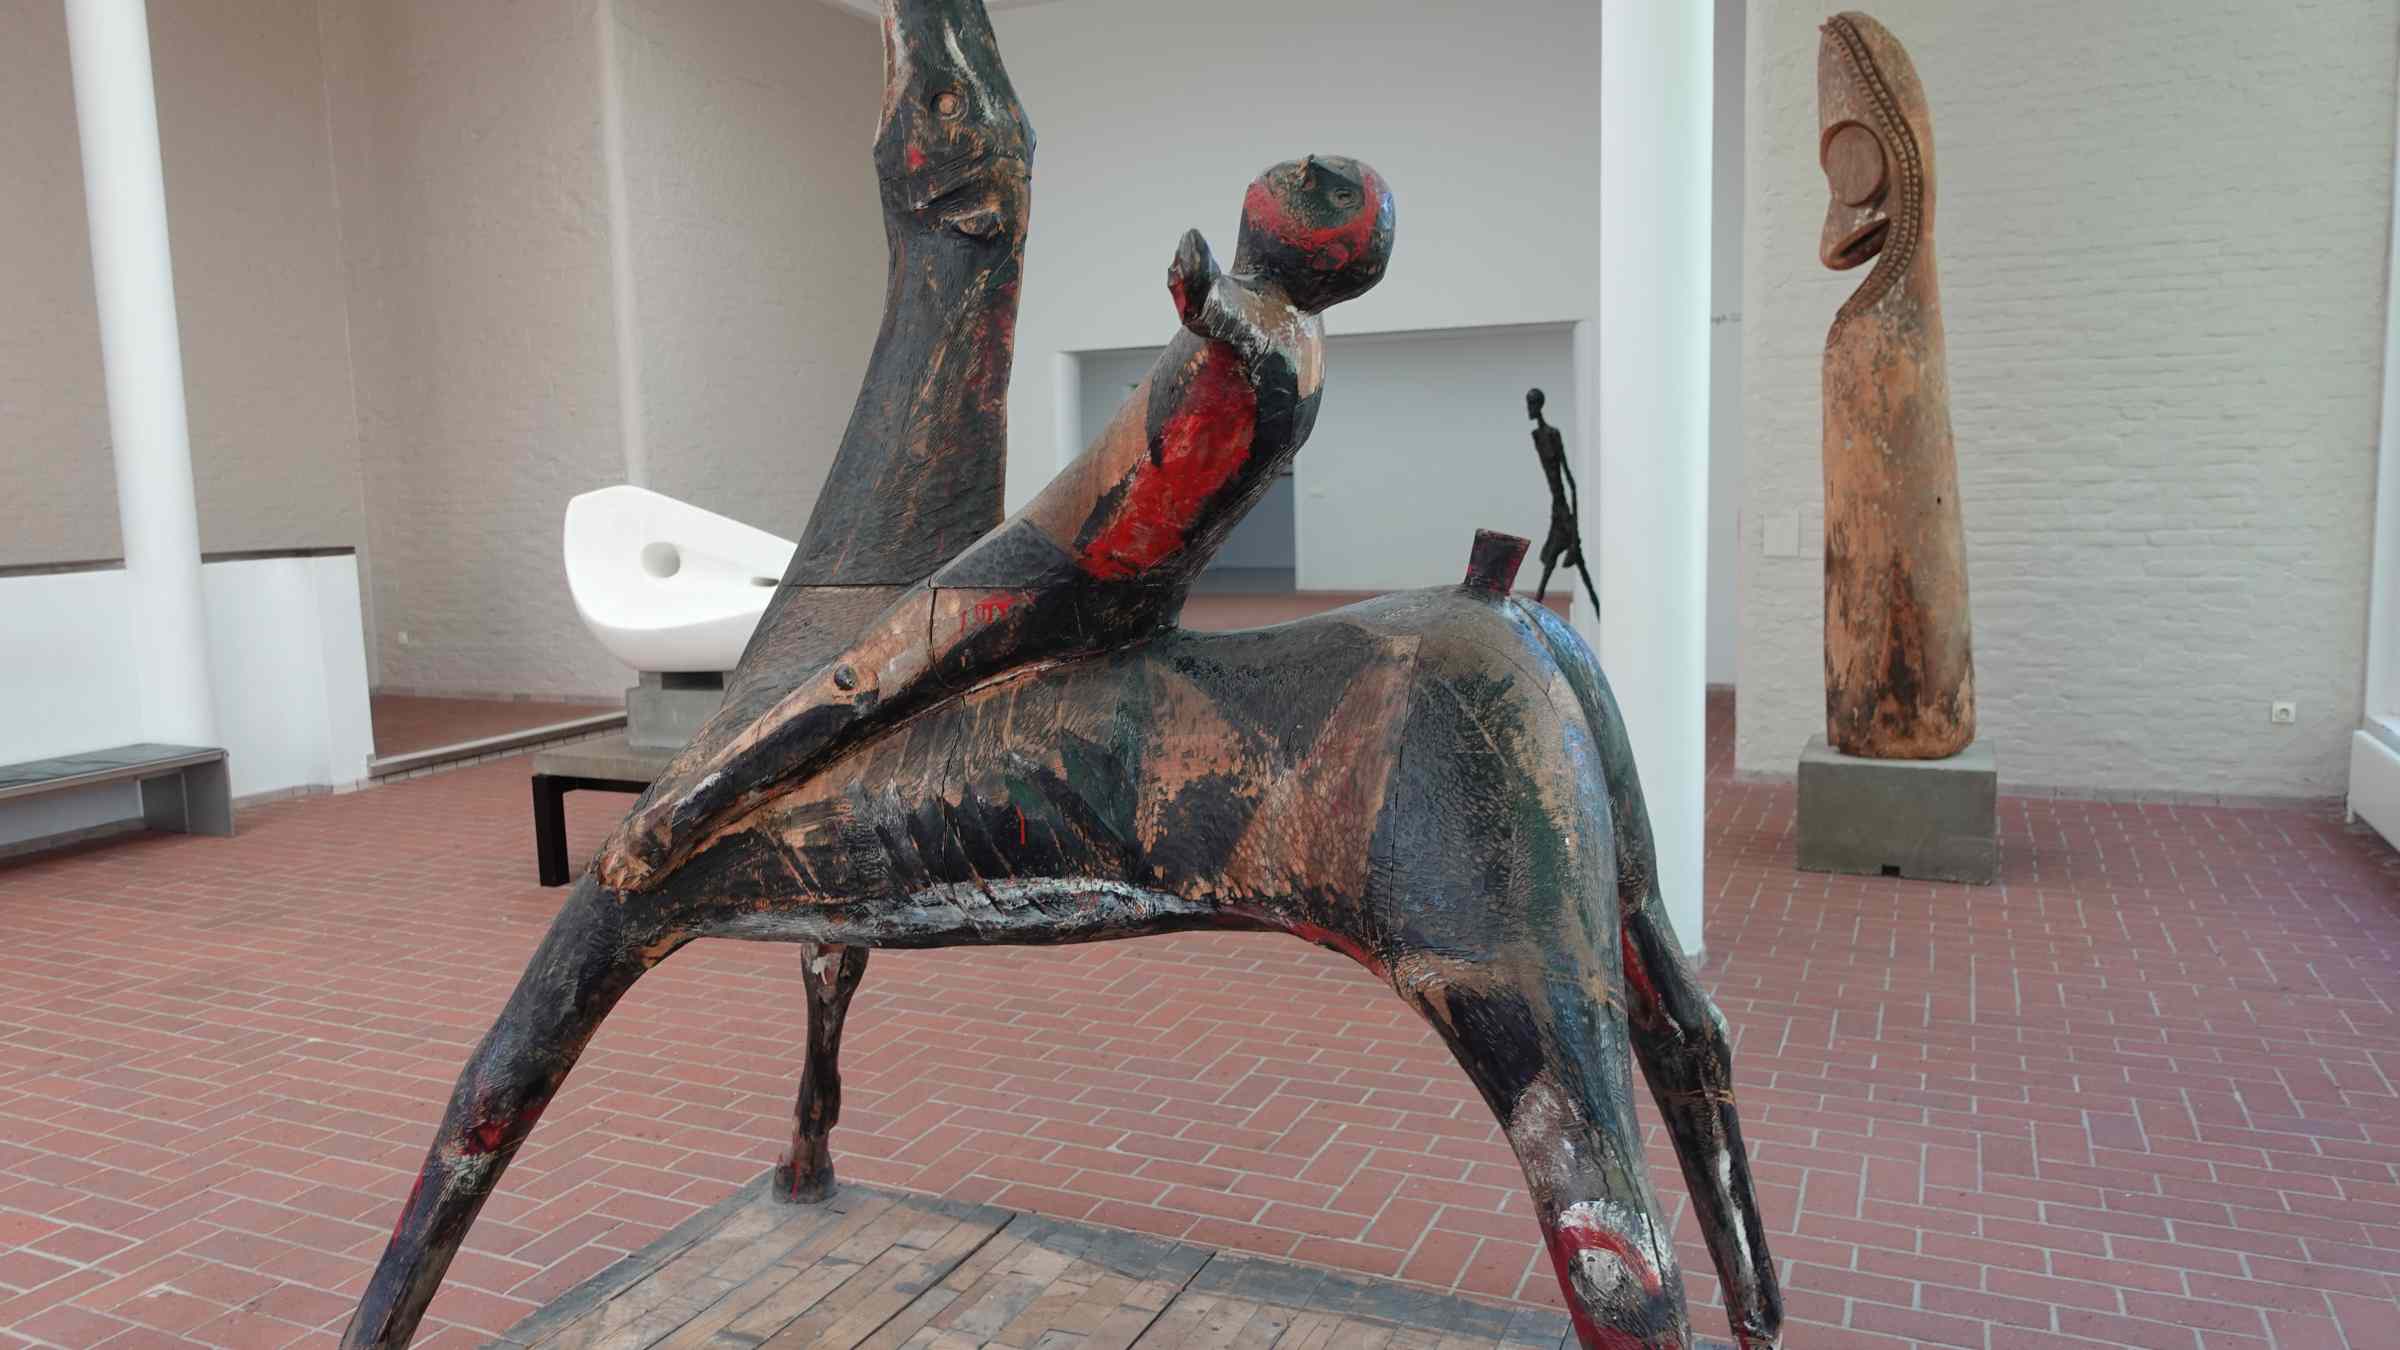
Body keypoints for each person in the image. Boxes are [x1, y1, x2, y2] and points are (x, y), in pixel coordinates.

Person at [599, 155, 1396, 892]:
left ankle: (681, 815)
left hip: (1055, 564)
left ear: (1329, 255)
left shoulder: (1267, 326)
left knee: (864, 675)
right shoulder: (1306, 346)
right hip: (1135, 587)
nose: (1303, 169)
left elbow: (1232, 325)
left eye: (1326, 192)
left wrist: (1206, 298)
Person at [1527, 387, 1598, 619]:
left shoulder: (1552, 435)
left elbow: (1570, 481)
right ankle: (1532, 618)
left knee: (1565, 565)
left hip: (1563, 512)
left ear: (1539, 406)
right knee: (1549, 563)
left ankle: (1532, 619)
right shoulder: (1536, 436)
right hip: (1557, 510)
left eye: (1532, 404)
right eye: (1528, 404)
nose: (1529, 409)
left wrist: (1575, 530)